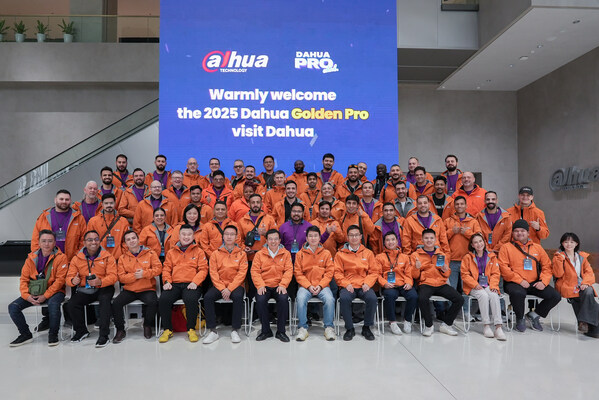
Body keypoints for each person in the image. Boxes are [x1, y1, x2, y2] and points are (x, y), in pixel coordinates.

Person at [498, 219, 561, 332]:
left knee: (555, 296)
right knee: (518, 293)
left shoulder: (537, 248)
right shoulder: (506, 247)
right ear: (512, 233)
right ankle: (520, 318)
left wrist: (543, 282)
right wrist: (520, 281)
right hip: (514, 282)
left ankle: (534, 315)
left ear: (528, 233)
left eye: (522, 231)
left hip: (534, 282)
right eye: (516, 231)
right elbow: (504, 268)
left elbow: (547, 266)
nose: (519, 233)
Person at [8, 230, 68, 347]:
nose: (47, 244)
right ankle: (25, 334)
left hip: (55, 292)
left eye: (50, 241)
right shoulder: (31, 258)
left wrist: (45, 296)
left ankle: (53, 335)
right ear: (39, 243)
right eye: (44, 241)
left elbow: (60, 281)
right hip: (34, 292)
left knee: (53, 305)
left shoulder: (61, 258)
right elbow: (24, 279)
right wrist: (27, 296)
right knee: (13, 307)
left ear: (54, 242)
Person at [66, 230, 118, 347]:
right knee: (72, 303)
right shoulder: (77, 258)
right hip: (86, 289)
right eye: (90, 240)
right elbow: (69, 277)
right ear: (84, 243)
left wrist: (101, 281)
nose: (93, 242)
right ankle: (81, 331)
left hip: (104, 287)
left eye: (96, 239)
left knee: (105, 301)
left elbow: (114, 276)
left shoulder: (107, 256)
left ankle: (104, 335)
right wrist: (73, 281)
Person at [158, 224, 208, 343]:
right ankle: (167, 329)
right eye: (183, 234)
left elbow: (203, 269)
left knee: (190, 299)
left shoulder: (199, 251)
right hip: (174, 284)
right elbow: (166, 269)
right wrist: (166, 281)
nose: (186, 237)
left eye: (189, 234)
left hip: (191, 283)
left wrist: (195, 282)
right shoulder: (171, 252)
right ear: (179, 236)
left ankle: (191, 329)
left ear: (193, 236)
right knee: (164, 299)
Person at [112, 230, 162, 342]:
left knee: (153, 302)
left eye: (133, 238)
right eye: (128, 239)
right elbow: (121, 277)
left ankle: (147, 325)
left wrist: (145, 274)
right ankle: (120, 330)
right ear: (125, 243)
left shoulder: (150, 253)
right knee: (116, 303)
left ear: (138, 239)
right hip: (130, 290)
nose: (132, 241)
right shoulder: (122, 258)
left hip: (147, 288)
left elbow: (158, 269)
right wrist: (135, 276)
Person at [412, 229, 463, 337]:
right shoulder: (416, 255)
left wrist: (445, 270)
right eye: (426, 238)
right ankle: (429, 326)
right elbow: (415, 276)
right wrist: (416, 268)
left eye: (431, 238)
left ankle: (446, 324)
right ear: (422, 240)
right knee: (422, 298)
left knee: (459, 299)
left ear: (435, 239)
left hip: (440, 283)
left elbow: (447, 274)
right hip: (425, 283)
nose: (429, 240)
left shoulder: (441, 254)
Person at [203, 225, 249, 344]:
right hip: (220, 285)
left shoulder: (242, 254)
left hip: (236, 285)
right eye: (227, 234)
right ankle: (213, 331)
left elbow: (241, 274)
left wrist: (230, 288)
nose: (229, 237)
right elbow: (213, 273)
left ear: (236, 237)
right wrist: (223, 288)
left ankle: (235, 330)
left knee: (238, 297)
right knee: (208, 297)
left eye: (232, 234)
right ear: (223, 236)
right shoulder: (215, 254)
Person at [335, 225, 379, 341]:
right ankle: (350, 328)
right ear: (347, 237)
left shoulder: (368, 253)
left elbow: (374, 272)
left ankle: (366, 327)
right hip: (348, 285)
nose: (354, 238)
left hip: (364, 284)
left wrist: (367, 283)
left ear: (360, 237)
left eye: (356, 235)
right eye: (351, 235)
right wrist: (345, 284)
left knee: (372, 298)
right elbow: (337, 272)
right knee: (344, 298)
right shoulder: (340, 254)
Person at [461, 233, 507, 340]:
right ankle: (486, 325)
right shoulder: (467, 257)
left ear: (484, 242)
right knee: (483, 296)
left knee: (494, 295)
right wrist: (475, 284)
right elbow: (464, 274)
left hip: (488, 284)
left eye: (480, 241)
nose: (479, 244)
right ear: (472, 245)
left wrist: (494, 285)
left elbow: (496, 273)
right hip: (473, 286)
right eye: (475, 242)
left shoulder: (492, 256)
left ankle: (498, 327)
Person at [552, 233, 599, 338]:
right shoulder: (558, 257)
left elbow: (589, 273)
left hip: (581, 285)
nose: (569, 244)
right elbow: (558, 274)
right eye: (566, 242)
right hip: (566, 286)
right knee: (591, 300)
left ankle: (584, 323)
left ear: (576, 243)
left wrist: (585, 283)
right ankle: (590, 326)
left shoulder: (582, 256)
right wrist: (560, 260)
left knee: (589, 291)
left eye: (572, 242)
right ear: (562, 243)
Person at [294, 226, 336, 341]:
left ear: (319, 238)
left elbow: (329, 272)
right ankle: (303, 328)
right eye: (310, 236)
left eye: (315, 236)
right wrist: (308, 286)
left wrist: (321, 285)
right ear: (307, 238)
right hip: (306, 286)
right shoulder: (300, 254)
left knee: (329, 299)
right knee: (300, 298)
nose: (313, 238)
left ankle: (329, 327)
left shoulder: (326, 253)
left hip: (322, 286)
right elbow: (298, 273)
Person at [251, 229, 293, 342]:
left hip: (279, 285)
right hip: (264, 285)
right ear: (266, 241)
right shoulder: (259, 254)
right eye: (270, 239)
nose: (273, 241)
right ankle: (266, 331)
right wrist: (260, 285)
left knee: (283, 299)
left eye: (275, 239)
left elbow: (289, 270)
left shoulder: (286, 253)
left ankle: (281, 331)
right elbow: (255, 271)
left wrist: (283, 284)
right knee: (260, 300)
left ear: (279, 240)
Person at [376, 231, 418, 335]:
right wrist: (384, 283)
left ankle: (407, 320)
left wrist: (409, 282)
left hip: (403, 284)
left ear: (397, 241)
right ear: (384, 242)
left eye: (393, 239)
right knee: (390, 295)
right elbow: (377, 274)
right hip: (389, 285)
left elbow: (408, 273)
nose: (390, 242)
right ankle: (392, 322)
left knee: (413, 296)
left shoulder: (404, 257)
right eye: (387, 240)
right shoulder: (379, 257)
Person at [237, 194, 278, 299]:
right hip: (249, 258)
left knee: (266, 287)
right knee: (252, 286)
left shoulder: (269, 219)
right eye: (253, 202)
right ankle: (253, 308)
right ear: (249, 204)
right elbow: (239, 240)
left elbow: (276, 237)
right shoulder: (242, 220)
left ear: (261, 204)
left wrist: (266, 233)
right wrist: (244, 248)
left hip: (266, 259)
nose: (255, 204)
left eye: (258, 202)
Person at [32, 189, 86, 261]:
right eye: (61, 199)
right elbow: (35, 240)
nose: (64, 201)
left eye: (67, 199)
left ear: (70, 201)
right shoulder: (44, 217)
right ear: (55, 200)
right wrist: (40, 257)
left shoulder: (79, 217)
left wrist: (77, 257)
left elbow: (84, 240)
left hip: (71, 261)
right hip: (48, 261)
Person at [444, 196, 482, 292]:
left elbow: (480, 239)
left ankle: (465, 303)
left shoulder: (473, 221)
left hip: (468, 260)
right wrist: (451, 231)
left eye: (462, 204)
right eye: (457, 204)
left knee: (466, 289)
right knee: (451, 289)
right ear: (454, 206)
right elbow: (441, 239)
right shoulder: (448, 221)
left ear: (466, 206)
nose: (459, 206)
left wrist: (467, 233)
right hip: (452, 260)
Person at [87, 193, 130, 260]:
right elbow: (89, 241)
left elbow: (126, 242)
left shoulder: (123, 221)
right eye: (106, 203)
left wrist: (122, 256)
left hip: (118, 259)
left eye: (111, 203)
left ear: (115, 203)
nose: (109, 205)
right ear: (102, 204)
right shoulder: (93, 221)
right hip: (99, 259)